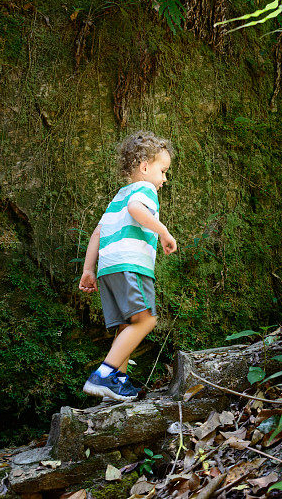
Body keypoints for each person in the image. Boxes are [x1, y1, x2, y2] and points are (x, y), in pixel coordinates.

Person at [78, 130, 177, 401]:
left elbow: (98, 232)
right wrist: (164, 231)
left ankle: (117, 382)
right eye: (163, 170)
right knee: (146, 319)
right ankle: (104, 374)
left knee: (127, 324)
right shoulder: (143, 190)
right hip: (130, 264)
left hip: (108, 268)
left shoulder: (118, 196)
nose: (164, 179)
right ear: (145, 167)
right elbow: (137, 209)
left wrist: (88, 269)